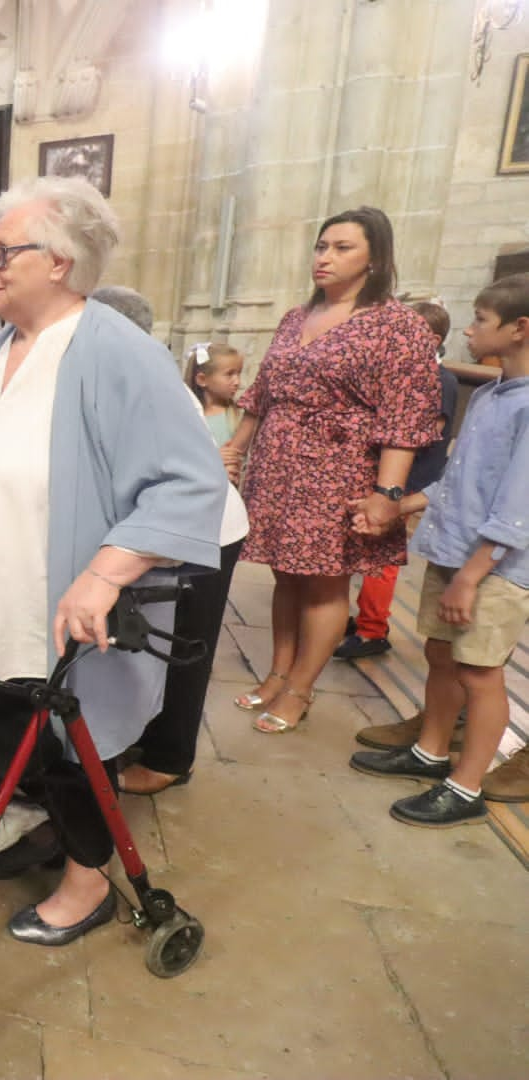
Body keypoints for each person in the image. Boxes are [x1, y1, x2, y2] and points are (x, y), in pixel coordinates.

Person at [0, 178, 225, 946]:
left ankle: (89, 886)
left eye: (1, 252)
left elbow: (192, 482)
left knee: (73, 737)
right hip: (1, 580)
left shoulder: (117, 350)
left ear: (58, 261)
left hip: (60, 592)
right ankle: (55, 832)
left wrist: (107, 570)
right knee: (25, 725)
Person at [222, 206, 441, 733]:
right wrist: (236, 447)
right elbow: (264, 393)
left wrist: (387, 493)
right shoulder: (297, 316)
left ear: (376, 258)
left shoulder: (397, 325)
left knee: (322, 584)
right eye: (322, 246)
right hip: (278, 464)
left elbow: (403, 416)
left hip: (337, 470)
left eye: (342, 248)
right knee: (285, 576)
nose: (325, 257)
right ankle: (278, 673)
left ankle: (300, 689)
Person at [348, 273, 529, 821]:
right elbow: (459, 478)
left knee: (480, 670)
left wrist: (475, 574)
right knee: (441, 653)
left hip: (493, 567)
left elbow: (519, 503)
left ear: (520, 329)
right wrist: (395, 504)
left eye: (479, 320)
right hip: (457, 552)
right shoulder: (494, 394)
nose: (469, 331)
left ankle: (468, 785)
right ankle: (430, 750)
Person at [83, 296, 251, 798]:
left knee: (183, 647)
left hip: (206, 533)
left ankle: (171, 757)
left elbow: (189, 478)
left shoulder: (151, 384)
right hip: (163, 530)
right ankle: (143, 734)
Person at [336, 300, 462, 661]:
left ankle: (373, 629)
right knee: (362, 550)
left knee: (382, 557)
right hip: (385, 478)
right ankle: (362, 616)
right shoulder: (402, 374)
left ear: (432, 339)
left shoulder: (442, 380)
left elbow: (426, 433)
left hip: (408, 482)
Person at [184, 341, 244, 445]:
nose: (237, 382)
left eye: (239, 373)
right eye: (229, 374)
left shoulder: (238, 416)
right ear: (202, 379)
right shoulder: (186, 419)